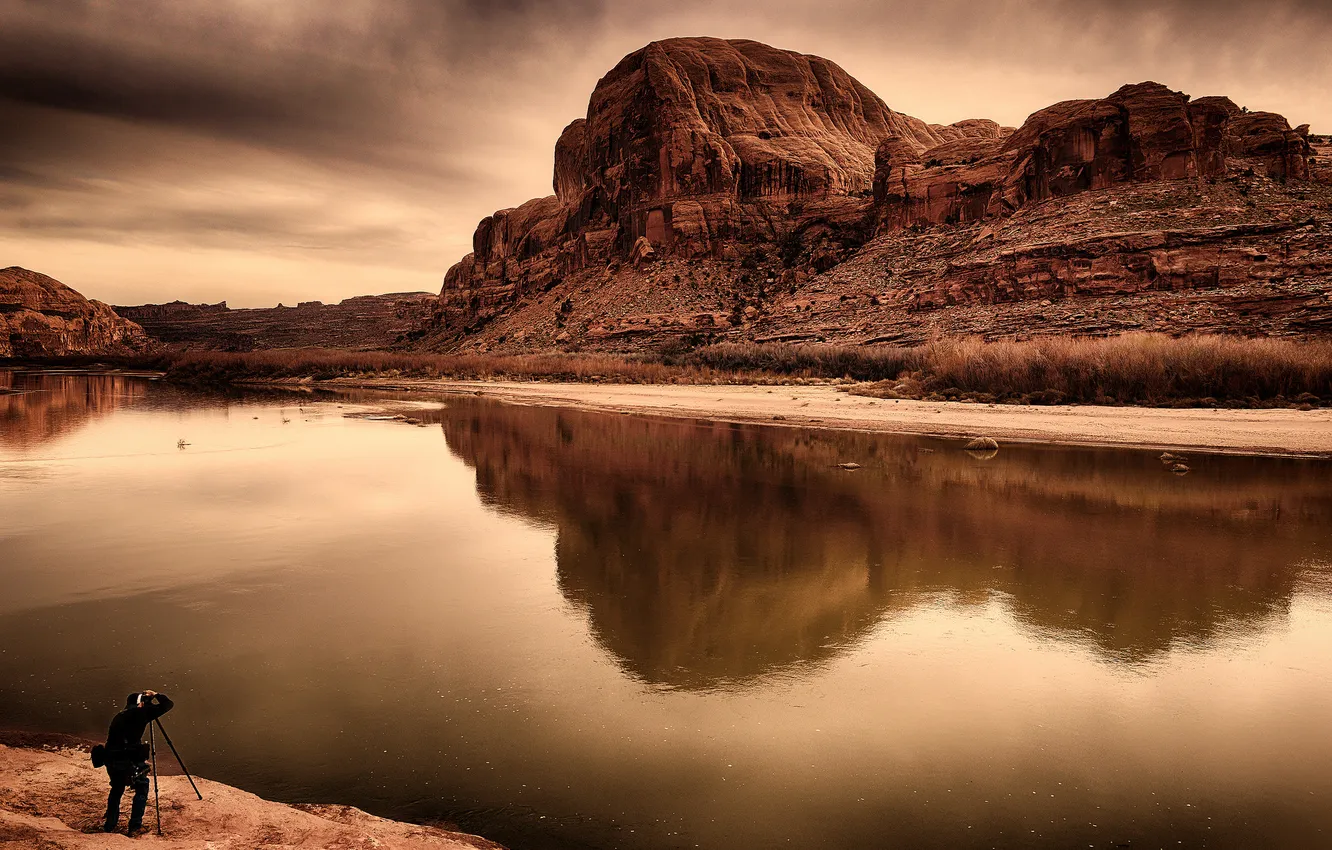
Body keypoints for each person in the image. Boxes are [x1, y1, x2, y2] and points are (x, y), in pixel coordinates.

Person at [102, 689, 173, 835]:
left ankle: (109, 824)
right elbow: (167, 705)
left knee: (116, 789)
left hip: (111, 760)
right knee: (142, 786)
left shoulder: (119, 716)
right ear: (141, 703)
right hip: (128, 762)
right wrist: (155, 695)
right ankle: (135, 827)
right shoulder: (141, 714)